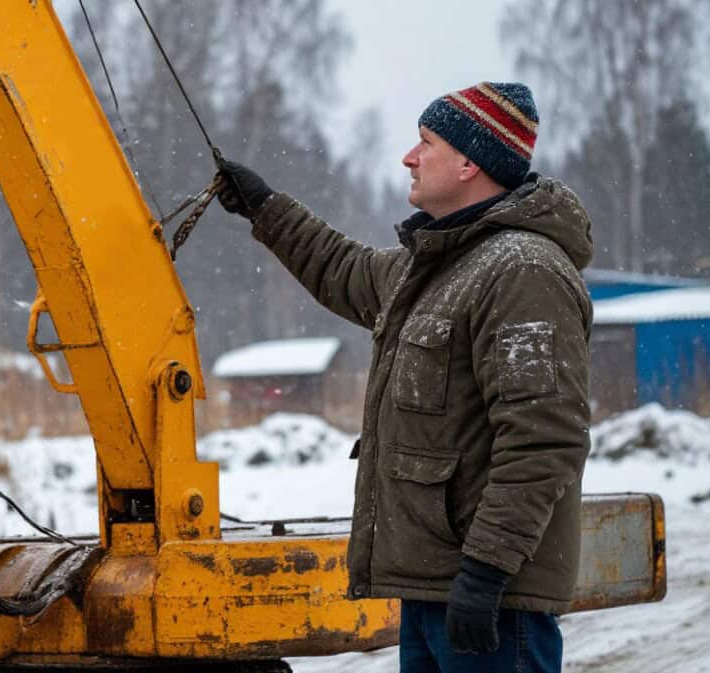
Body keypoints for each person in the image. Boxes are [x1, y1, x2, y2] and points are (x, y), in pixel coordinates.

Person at [217, 82, 592, 673]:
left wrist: (486, 570)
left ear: (471, 162)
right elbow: (345, 269)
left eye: (426, 142)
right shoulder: (443, 265)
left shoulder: (522, 273)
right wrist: (265, 207)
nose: (409, 157)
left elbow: (544, 439)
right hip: (433, 589)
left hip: (488, 599)